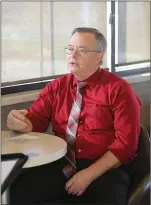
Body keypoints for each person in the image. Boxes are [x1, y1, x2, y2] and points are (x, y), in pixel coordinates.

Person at [7, 27, 141, 205]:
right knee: (14, 192)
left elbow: (126, 145)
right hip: (61, 163)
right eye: (70, 49)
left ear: (99, 56)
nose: (73, 55)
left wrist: (88, 175)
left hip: (105, 168)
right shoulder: (56, 87)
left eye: (82, 50)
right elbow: (34, 122)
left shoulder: (119, 89)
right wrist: (17, 122)